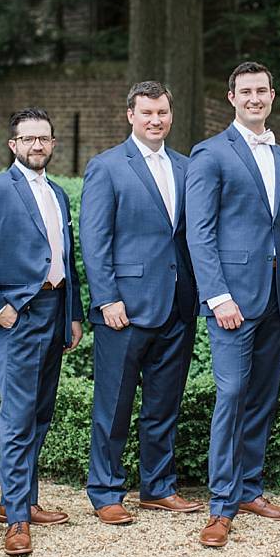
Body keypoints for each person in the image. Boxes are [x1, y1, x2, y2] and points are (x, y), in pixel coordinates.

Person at [186, 62, 280, 548]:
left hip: (278, 301)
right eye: (246, 92)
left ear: (272, 96)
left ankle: (249, 489)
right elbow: (200, 234)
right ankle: (220, 506)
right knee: (232, 395)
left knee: (261, 398)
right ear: (231, 97)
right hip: (232, 302)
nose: (255, 98)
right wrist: (218, 297)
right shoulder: (210, 154)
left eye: (262, 91)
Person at [0, 108, 83, 556]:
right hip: (20, 317)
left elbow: (65, 261)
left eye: (43, 139)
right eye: (28, 139)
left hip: (55, 310)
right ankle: (16, 518)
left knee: (41, 412)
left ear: (52, 143)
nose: (36, 146)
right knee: (17, 417)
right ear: (13, 145)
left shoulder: (59, 194)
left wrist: (73, 314)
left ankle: (22, 499)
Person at [80, 81, 202, 526]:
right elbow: (94, 240)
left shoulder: (188, 168)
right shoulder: (107, 166)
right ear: (130, 115)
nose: (156, 120)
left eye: (163, 112)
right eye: (147, 112)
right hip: (124, 309)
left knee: (163, 404)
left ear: (171, 115)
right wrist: (107, 297)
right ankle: (106, 490)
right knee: (112, 405)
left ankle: (158, 487)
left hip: (178, 304)